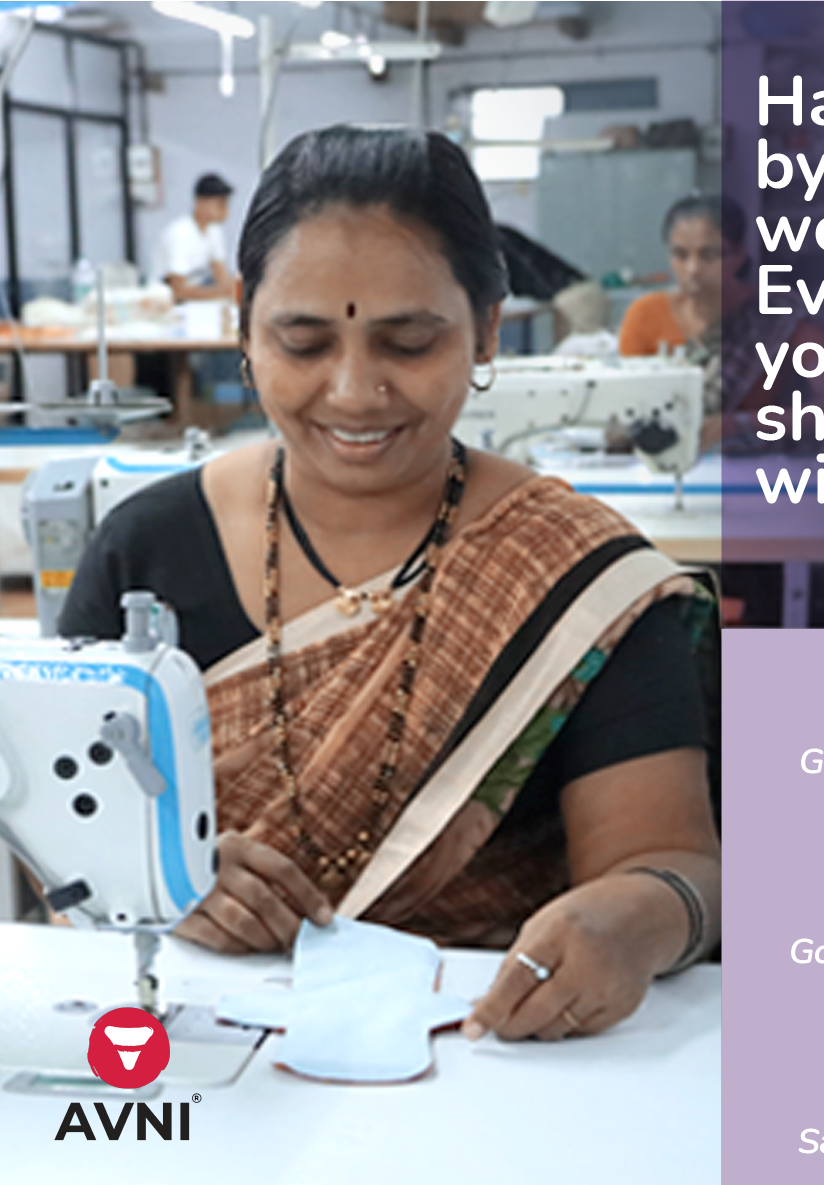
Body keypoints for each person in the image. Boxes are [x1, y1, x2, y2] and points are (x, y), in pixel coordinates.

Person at [60, 125, 721, 1043]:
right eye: (303, 342)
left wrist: (634, 918)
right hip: (202, 1057)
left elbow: (672, 861)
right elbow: (59, 852)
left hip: (505, 1051)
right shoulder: (145, 552)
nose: (354, 391)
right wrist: (163, 877)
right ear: (245, 327)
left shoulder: (576, 578)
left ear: (487, 330)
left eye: (408, 342)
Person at [619, 194, 824, 451]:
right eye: (680, 255)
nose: (693, 269)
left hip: (760, 466)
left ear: (740, 254)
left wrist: (740, 423)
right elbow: (626, 402)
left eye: (710, 255)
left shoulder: (779, 317)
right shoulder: (645, 315)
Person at [155, 172, 237, 303]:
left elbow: (222, 278)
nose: (225, 211)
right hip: (165, 301)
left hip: (195, 299)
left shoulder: (214, 230)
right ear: (200, 203)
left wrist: (232, 289)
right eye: (220, 204)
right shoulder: (180, 234)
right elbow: (178, 291)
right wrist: (224, 292)